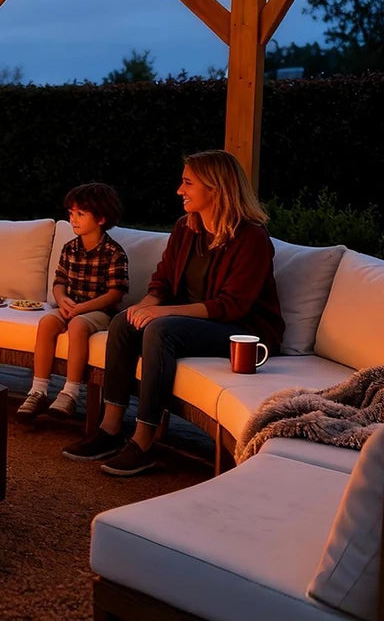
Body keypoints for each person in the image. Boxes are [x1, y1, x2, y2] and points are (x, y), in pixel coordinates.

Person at [62, 150, 283, 477]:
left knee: (161, 329)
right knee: (125, 322)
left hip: (241, 331)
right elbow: (163, 279)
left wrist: (163, 313)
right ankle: (110, 430)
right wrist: (148, 303)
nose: (180, 190)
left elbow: (232, 305)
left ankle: (144, 441)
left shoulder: (251, 238)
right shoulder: (186, 228)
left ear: (215, 187)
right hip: (192, 321)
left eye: (187, 183)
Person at [19, 183, 129, 424]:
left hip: (99, 312)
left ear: (101, 218)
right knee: (48, 322)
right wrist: (62, 300)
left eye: (80, 214)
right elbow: (59, 282)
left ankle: (70, 393)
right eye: (71, 213)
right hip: (71, 306)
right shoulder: (70, 249)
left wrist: (82, 308)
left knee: (78, 325)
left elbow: (115, 294)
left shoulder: (113, 252)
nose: (73, 220)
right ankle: (38, 390)